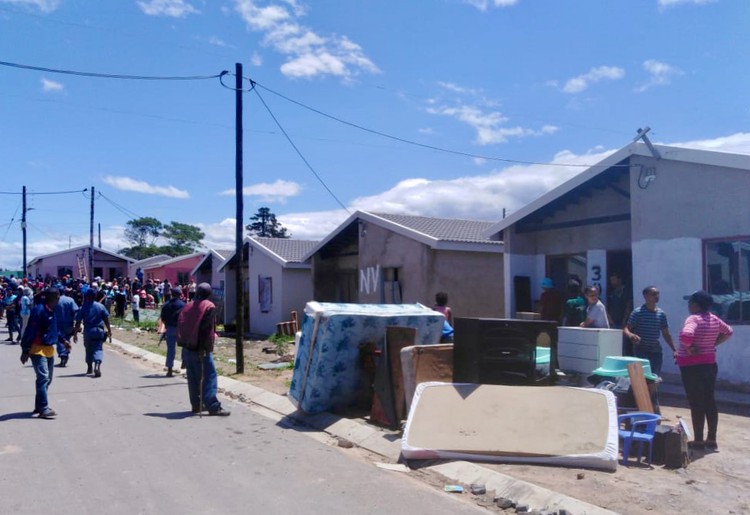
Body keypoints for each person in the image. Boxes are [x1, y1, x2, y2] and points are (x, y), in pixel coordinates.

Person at [677, 290, 733, 451]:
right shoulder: (714, 318)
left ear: (695, 305)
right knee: (709, 400)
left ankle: (699, 441)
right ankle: (712, 439)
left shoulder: (693, 318)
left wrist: (690, 347)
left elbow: (686, 335)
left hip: (691, 366)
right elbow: (729, 331)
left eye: (690, 303)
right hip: (709, 364)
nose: (688, 306)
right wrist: (713, 344)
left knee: (696, 402)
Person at [177, 283, 229, 416]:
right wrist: (203, 348)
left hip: (187, 348)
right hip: (201, 349)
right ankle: (213, 406)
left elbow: (181, 325)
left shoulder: (187, 306)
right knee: (209, 377)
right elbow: (206, 330)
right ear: (209, 294)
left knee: (193, 378)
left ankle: (196, 405)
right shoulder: (209, 306)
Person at [20, 287, 69, 418]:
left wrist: (63, 341)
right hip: (37, 348)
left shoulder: (52, 310)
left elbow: (54, 329)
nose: (59, 298)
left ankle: (38, 406)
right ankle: (43, 408)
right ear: (52, 297)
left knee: (48, 379)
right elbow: (30, 330)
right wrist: (25, 350)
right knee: (43, 378)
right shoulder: (39, 310)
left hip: (48, 349)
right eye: (57, 296)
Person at [623, 286, 675, 376]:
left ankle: (652, 390)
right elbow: (626, 329)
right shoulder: (638, 312)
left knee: (654, 377)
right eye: (654, 294)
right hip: (641, 350)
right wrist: (631, 335)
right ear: (645, 296)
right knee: (642, 377)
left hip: (656, 351)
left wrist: (674, 350)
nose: (657, 296)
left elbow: (666, 334)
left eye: (658, 294)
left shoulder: (661, 314)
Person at [73, 288, 112, 378]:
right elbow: (106, 319)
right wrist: (109, 331)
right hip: (99, 331)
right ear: (95, 296)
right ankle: (97, 364)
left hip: (88, 331)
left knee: (89, 349)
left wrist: (75, 334)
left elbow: (78, 322)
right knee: (98, 348)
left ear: (87, 296)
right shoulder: (100, 306)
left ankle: (89, 367)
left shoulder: (83, 307)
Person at [160, 287, 186, 377]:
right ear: (180, 294)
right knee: (185, 346)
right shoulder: (183, 305)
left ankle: (169, 370)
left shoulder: (166, 304)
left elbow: (163, 318)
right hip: (181, 329)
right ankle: (184, 362)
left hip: (170, 328)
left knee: (170, 349)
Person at [54, 287, 80, 367]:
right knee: (67, 339)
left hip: (57, 324)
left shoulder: (55, 301)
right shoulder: (70, 300)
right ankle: (66, 354)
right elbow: (76, 311)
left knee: (60, 340)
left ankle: (63, 355)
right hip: (68, 323)